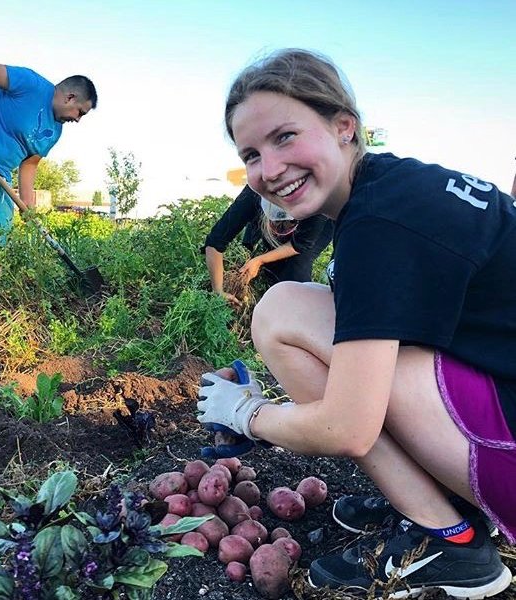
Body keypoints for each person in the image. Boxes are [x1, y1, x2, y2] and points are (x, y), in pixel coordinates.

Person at [196, 49, 515, 598]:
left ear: (344, 126)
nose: (268, 170)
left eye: (285, 137)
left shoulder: (379, 223)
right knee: (315, 315)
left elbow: (346, 427)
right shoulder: (395, 187)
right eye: (251, 153)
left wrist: (248, 415)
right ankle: (438, 497)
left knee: (282, 313)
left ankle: (449, 538)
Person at [0, 60, 97, 241]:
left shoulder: (55, 131)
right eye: (80, 112)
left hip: (1, 174)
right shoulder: (31, 84)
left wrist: (27, 203)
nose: (78, 120)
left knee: (2, 229)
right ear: (69, 97)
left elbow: (30, 163)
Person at [204, 185, 332, 307]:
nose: (283, 227)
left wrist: (260, 260)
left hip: (319, 222)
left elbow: (300, 244)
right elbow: (215, 242)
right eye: (277, 223)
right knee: (268, 264)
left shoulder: (317, 198)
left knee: (296, 267)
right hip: (262, 212)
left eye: (289, 222)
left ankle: (296, 315)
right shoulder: (253, 194)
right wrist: (218, 290)